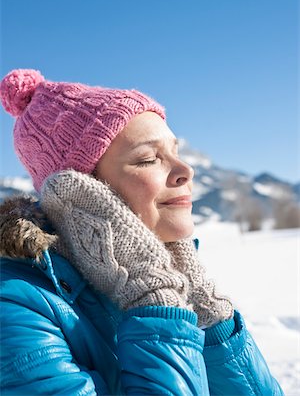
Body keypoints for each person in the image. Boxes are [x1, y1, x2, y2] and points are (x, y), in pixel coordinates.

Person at [0, 68, 283, 396]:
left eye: (176, 152)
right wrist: (156, 301)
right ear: (78, 193)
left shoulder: (178, 276)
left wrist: (208, 316)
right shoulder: (16, 306)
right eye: (148, 159)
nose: (185, 171)